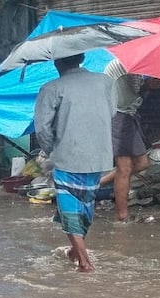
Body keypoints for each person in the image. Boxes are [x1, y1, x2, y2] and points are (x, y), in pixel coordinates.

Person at [33, 53, 115, 273]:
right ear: (83, 57)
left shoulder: (51, 88)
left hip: (67, 157)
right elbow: (112, 112)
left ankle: (85, 262)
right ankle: (76, 251)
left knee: (70, 207)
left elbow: (42, 128)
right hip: (98, 155)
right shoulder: (105, 82)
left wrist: (53, 149)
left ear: (57, 62)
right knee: (85, 204)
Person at [99, 60, 153, 222]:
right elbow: (133, 89)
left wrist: (149, 84)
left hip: (128, 115)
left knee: (143, 162)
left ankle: (97, 184)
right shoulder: (127, 63)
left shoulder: (134, 65)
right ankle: (122, 216)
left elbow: (134, 91)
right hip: (118, 115)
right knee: (125, 167)